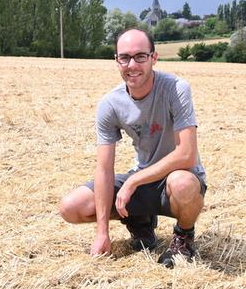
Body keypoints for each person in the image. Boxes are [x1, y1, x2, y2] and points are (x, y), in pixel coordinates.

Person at [58, 28, 207, 268]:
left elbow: (186, 155)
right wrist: (102, 232)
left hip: (178, 179)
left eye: (140, 56)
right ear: (116, 60)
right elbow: (104, 169)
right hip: (143, 177)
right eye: (124, 57)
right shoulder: (110, 104)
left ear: (154, 58)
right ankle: (141, 222)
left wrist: (132, 182)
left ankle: (183, 237)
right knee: (71, 208)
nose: (132, 65)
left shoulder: (176, 89)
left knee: (182, 183)